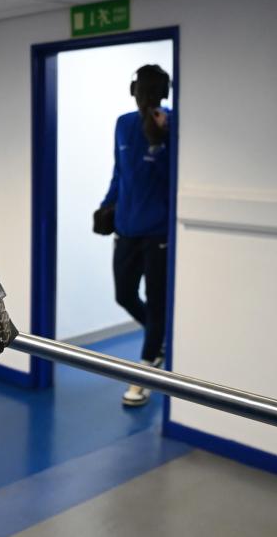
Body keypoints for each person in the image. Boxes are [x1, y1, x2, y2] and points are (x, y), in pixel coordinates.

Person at [95, 64, 172, 407]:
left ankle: (145, 370)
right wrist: (106, 206)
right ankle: (160, 336)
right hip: (127, 228)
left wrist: (161, 141)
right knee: (125, 295)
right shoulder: (123, 124)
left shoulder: (172, 122)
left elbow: (173, 176)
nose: (145, 95)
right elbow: (119, 173)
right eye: (141, 88)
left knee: (156, 301)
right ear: (133, 90)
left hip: (159, 232)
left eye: (152, 89)